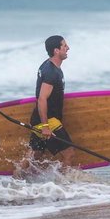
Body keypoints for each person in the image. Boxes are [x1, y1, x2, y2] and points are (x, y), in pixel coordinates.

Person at [15, 35, 75, 178]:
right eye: (64, 46)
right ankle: (64, 187)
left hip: (39, 120)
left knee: (35, 155)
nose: (68, 48)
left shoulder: (48, 66)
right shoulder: (51, 72)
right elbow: (42, 99)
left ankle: (15, 181)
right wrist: (46, 126)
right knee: (69, 154)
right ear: (56, 50)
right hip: (48, 121)